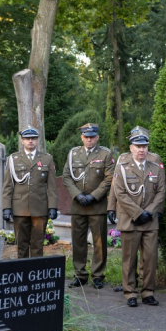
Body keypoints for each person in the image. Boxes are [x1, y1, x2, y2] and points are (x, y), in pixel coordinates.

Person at [112, 127, 166, 307]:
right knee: (129, 259)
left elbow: (161, 193)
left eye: (144, 146)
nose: (142, 149)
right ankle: (130, 293)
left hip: (150, 221)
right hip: (130, 220)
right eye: (138, 146)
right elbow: (120, 193)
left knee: (150, 258)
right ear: (131, 148)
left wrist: (149, 212)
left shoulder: (156, 167)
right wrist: (137, 213)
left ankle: (148, 292)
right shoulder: (122, 167)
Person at [62, 123, 115, 289]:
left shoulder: (106, 153)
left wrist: (93, 196)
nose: (89, 139)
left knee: (99, 242)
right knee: (78, 241)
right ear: (81, 137)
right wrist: (77, 195)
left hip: (97, 205)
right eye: (86, 136)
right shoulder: (73, 153)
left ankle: (98, 275)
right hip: (78, 204)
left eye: (92, 136)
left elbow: (109, 178)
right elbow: (66, 177)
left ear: (97, 137)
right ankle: (80, 275)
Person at [2, 126, 58, 258]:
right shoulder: (13, 159)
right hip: (20, 208)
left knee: (38, 245)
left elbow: (52, 186)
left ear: (37, 140)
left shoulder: (47, 159)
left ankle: (35, 273)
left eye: (33, 138)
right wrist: (6, 207)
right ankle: (23, 273)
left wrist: (53, 206)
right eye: (27, 139)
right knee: (21, 245)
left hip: (40, 207)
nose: (30, 141)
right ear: (22, 141)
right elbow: (8, 186)